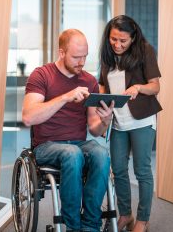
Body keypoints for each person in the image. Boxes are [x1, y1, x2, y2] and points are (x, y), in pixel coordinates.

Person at [22, 29, 114, 232]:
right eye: (76, 57)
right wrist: (65, 97)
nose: (81, 62)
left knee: (101, 152)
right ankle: (73, 226)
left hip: (79, 143)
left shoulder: (89, 81)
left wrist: (105, 121)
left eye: (85, 57)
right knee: (72, 153)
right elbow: (28, 117)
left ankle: (90, 225)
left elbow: (94, 128)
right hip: (47, 146)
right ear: (61, 53)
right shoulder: (42, 75)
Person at [98, 15, 162, 232]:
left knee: (142, 170)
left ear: (133, 38)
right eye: (113, 39)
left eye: (123, 41)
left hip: (142, 119)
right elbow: (102, 85)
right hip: (118, 121)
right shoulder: (108, 54)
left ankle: (142, 220)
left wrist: (138, 88)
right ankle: (125, 214)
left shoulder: (145, 50)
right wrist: (98, 100)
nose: (117, 44)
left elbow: (155, 86)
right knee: (118, 169)